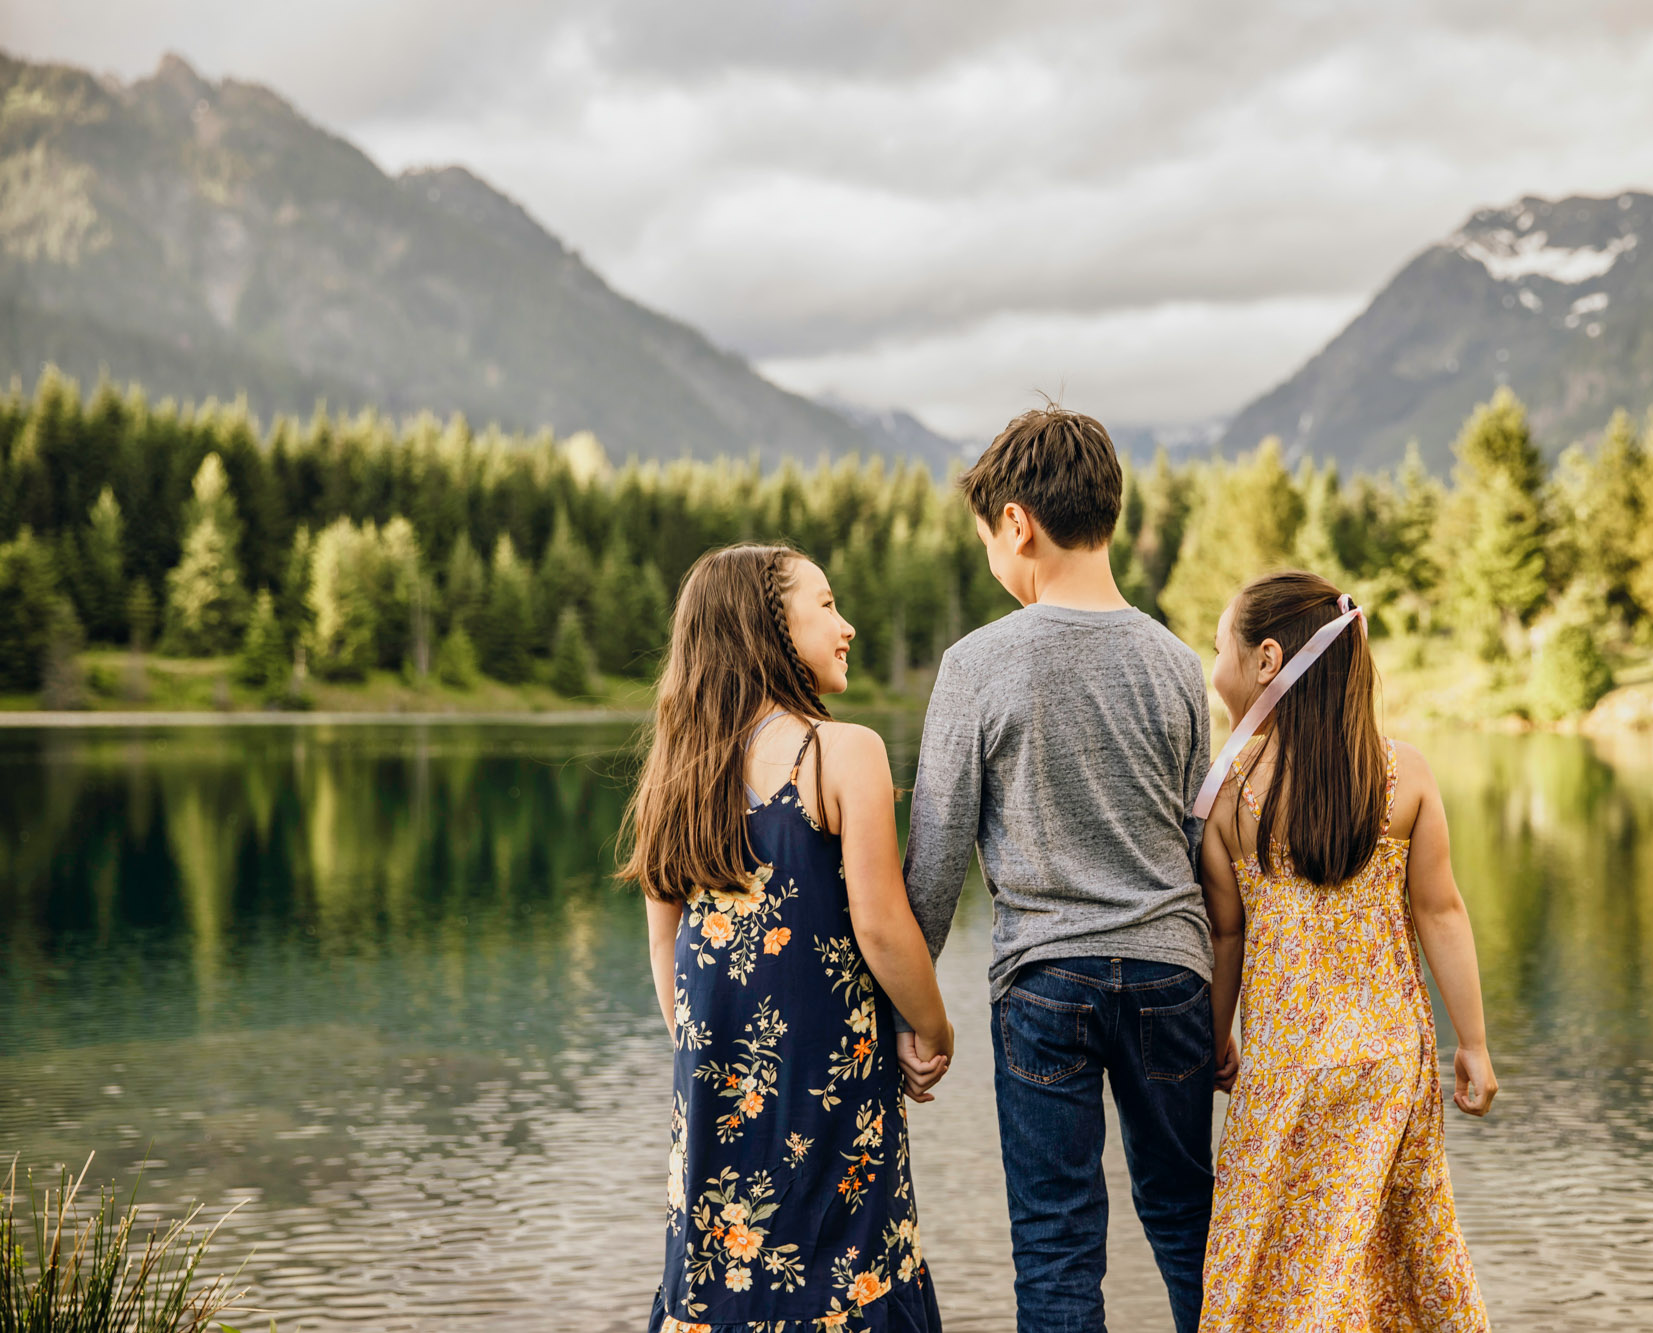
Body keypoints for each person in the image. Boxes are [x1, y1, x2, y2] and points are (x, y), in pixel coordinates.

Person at [900, 406, 1217, 1333]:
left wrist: (912, 1012)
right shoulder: (1176, 662)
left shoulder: (977, 664)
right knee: (1190, 1220)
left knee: (1055, 1240)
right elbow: (1204, 850)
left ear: (1016, 522)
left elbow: (934, 861)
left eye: (987, 540)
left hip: (1045, 983)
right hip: (1172, 975)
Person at [620, 543, 952, 1333]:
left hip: (717, 1098)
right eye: (827, 605)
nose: (849, 626)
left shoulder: (680, 770)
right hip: (830, 1093)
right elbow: (879, 924)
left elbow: (665, 954)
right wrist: (932, 1027)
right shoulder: (842, 751)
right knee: (846, 1278)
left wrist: (711, 1055)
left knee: (722, 1286)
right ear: (767, 627)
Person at [1196, 570, 1495, 1331]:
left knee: (1280, 1261)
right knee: (1384, 1259)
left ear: (1267, 659)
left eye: (1220, 646)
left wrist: (1216, 1035)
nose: (1214, 666)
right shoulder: (1404, 775)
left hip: (1286, 1069)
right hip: (1390, 1062)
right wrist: (1476, 1043)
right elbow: (1442, 912)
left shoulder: (1232, 791)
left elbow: (1226, 932)